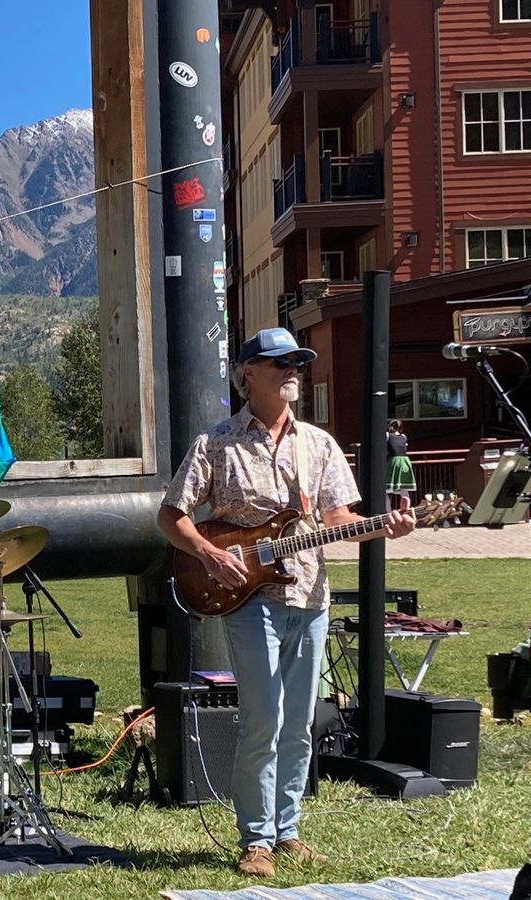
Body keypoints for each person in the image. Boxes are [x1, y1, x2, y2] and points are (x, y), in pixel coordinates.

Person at [157, 327, 416, 878]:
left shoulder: (316, 444)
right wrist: (209, 553)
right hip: (248, 599)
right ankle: (256, 839)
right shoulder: (216, 443)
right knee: (263, 717)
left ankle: (288, 829)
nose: (292, 370)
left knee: (300, 721)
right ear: (249, 373)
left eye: (297, 362)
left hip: (310, 595)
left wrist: (384, 528)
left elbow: (340, 520)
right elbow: (171, 516)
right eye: (280, 363)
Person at [386, 419, 416, 511]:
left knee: (385, 489)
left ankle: (388, 512)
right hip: (405, 461)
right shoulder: (404, 436)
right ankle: (406, 509)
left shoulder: (387, 435)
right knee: (404, 488)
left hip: (394, 461)